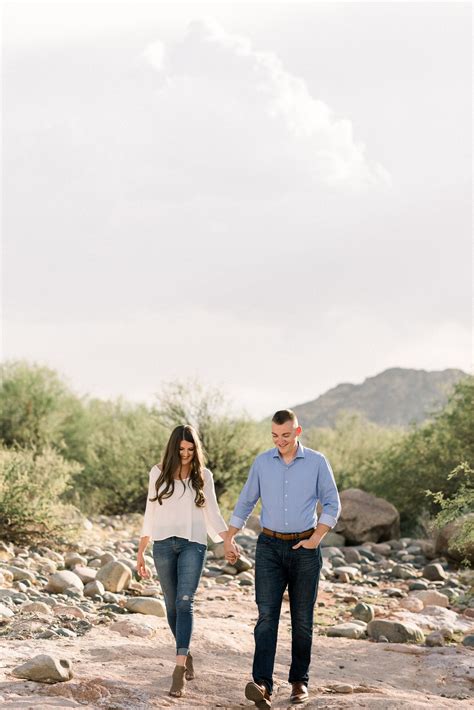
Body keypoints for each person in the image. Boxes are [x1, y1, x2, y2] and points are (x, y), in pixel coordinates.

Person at [223, 409, 341, 707]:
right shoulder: (263, 462)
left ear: (297, 432)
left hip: (305, 548)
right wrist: (230, 535)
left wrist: (316, 539)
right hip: (269, 548)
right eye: (275, 436)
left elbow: (332, 503)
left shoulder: (316, 462)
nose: (280, 441)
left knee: (302, 620)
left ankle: (299, 682)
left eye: (286, 435)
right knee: (266, 618)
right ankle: (262, 684)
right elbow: (246, 500)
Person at [136, 424, 237, 698]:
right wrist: (141, 549)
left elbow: (213, 513)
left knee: (185, 601)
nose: (185, 454)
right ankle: (187, 651)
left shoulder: (203, 475)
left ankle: (178, 667)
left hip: (194, 543)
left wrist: (227, 539)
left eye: (190, 450)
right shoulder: (157, 473)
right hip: (163, 544)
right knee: (171, 606)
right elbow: (150, 510)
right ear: (173, 448)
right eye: (181, 449)